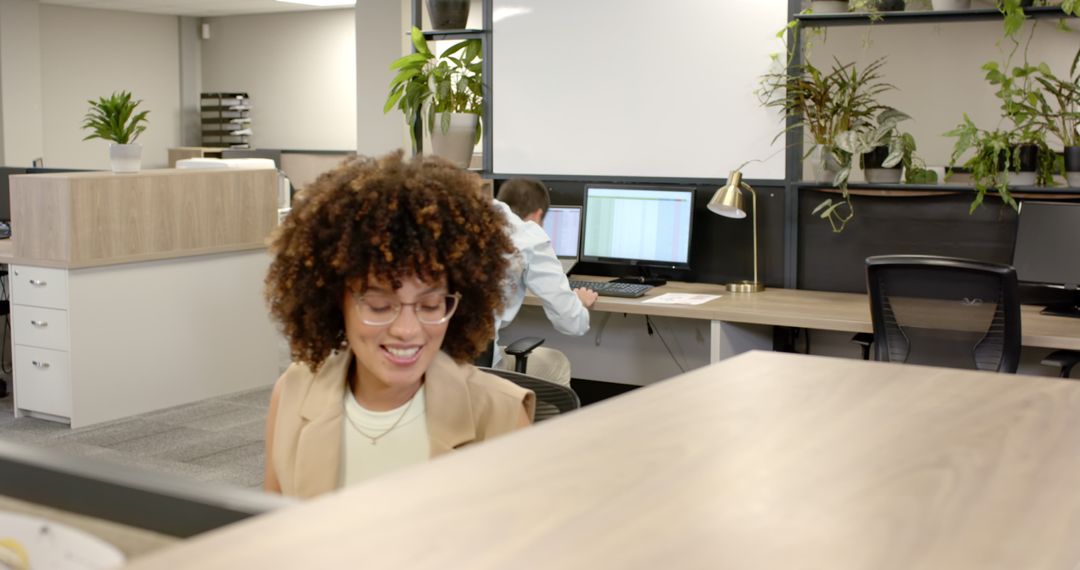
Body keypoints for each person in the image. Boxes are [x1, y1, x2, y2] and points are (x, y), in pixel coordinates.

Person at [262, 151, 535, 499]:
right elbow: (270, 534)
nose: (407, 329)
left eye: (430, 304)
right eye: (378, 306)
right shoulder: (292, 392)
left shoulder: (501, 415)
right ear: (334, 301)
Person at [492, 178, 598, 386]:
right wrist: (579, 302)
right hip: (480, 371)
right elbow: (572, 322)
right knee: (557, 364)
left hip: (438, 366)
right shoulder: (528, 236)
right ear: (538, 215)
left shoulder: (476, 217)